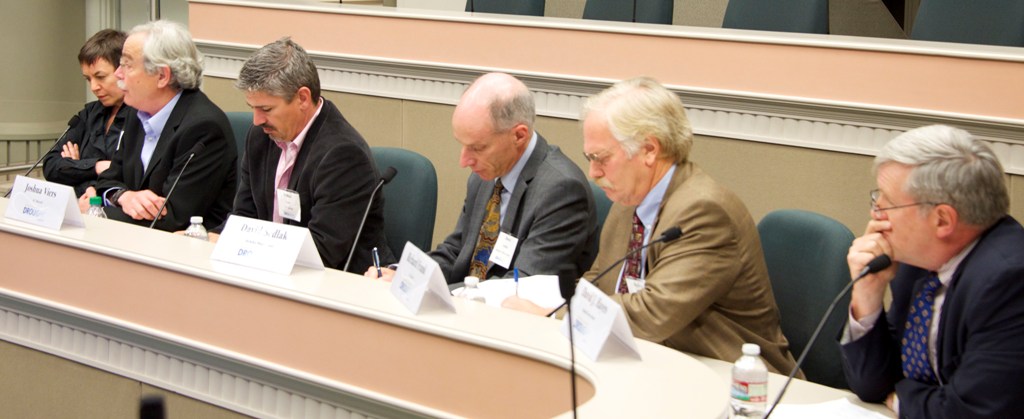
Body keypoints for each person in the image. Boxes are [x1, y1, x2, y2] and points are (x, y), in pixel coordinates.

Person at [504, 77, 797, 373]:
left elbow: (651, 313)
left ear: (649, 150)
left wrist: (553, 315)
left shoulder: (705, 210)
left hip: (739, 381)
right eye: (589, 158)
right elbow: (599, 283)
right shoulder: (628, 201)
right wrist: (549, 302)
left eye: (601, 158)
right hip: (657, 361)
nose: (592, 173)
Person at [840, 125, 1024, 418]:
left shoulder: (1010, 281)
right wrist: (869, 290)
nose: (876, 214)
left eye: (887, 202)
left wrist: (903, 398)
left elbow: (973, 411)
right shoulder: (918, 262)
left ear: (942, 220)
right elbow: (871, 384)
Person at [367, 72, 597, 283]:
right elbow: (456, 251)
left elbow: (524, 284)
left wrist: (443, 295)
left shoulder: (561, 189)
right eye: (462, 146)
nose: (464, 161)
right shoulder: (485, 175)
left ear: (519, 135)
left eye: (477, 147)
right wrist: (403, 274)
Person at [208, 37, 393, 273]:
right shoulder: (260, 137)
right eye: (252, 108)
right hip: (268, 271)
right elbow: (244, 216)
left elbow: (321, 253)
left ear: (302, 98)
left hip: (335, 285)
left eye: (266, 109)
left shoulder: (344, 155)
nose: (256, 120)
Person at [94, 20, 236, 232]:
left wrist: (97, 211)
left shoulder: (204, 127)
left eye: (127, 65)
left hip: (185, 252)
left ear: (162, 76)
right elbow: (108, 180)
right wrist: (123, 196)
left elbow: (173, 217)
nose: (118, 74)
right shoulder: (137, 112)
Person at [42, 29, 134, 207]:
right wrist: (96, 167)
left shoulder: (142, 116)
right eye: (88, 79)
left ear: (123, 72)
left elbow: (128, 179)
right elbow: (52, 166)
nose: (94, 87)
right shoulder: (89, 113)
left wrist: (76, 167)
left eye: (100, 77)